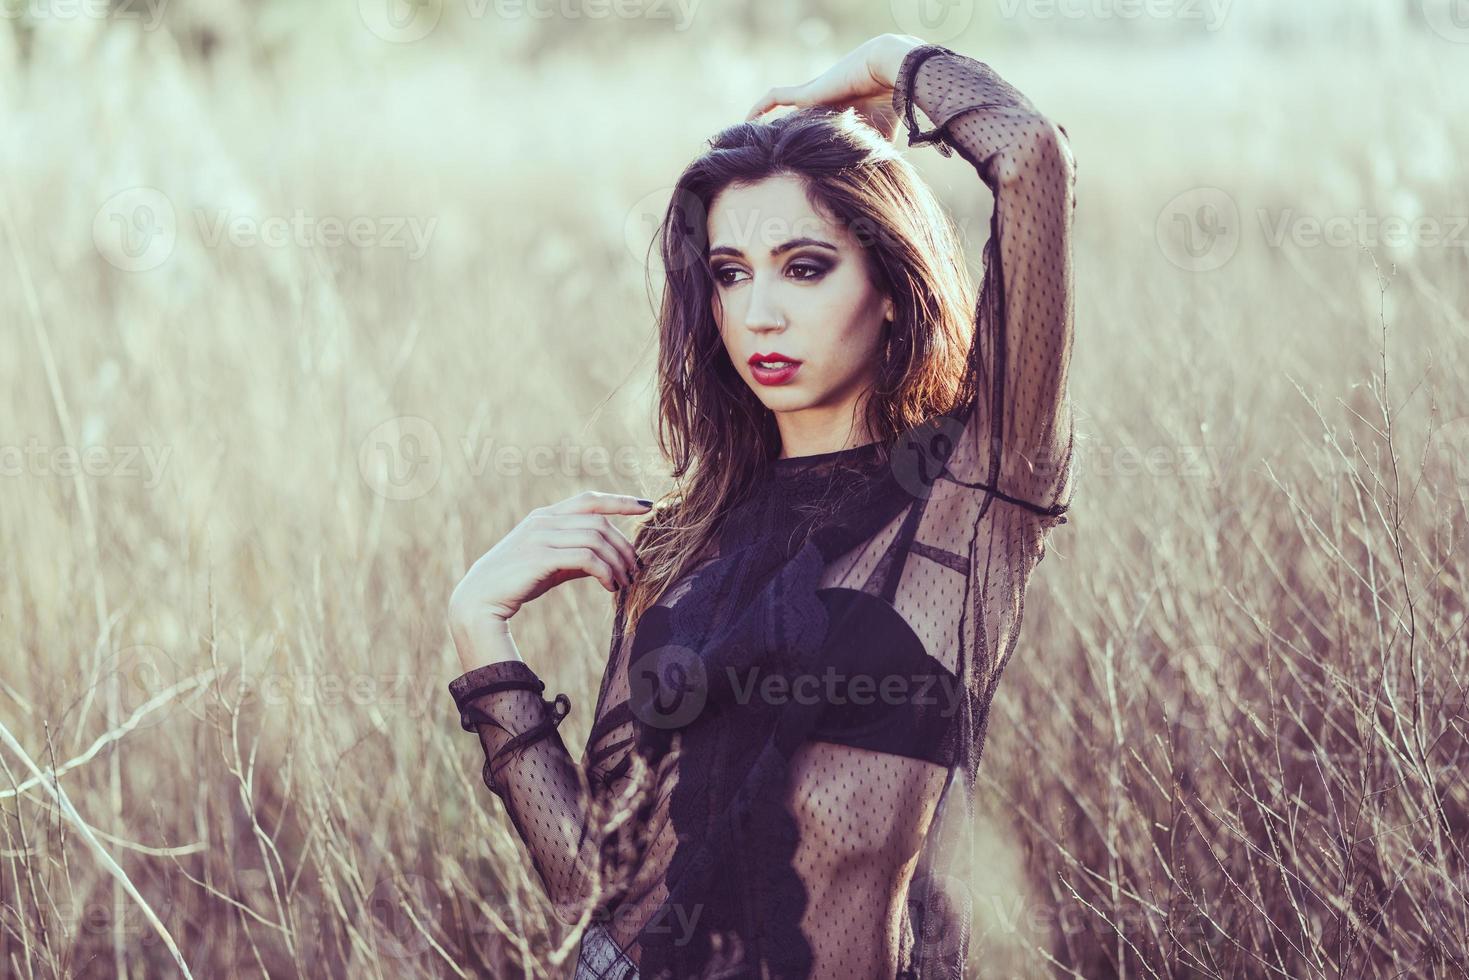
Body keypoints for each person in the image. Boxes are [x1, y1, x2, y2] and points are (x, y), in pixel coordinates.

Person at [445, 32, 1077, 980]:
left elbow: (1028, 157)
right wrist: (480, 635)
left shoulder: (975, 495)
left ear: (893, 288)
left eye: (805, 266)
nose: (758, 315)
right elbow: (603, 907)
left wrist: (881, 62)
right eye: (731, 273)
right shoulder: (681, 542)